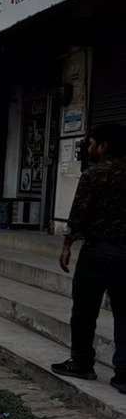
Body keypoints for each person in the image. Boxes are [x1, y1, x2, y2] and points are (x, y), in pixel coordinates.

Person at [53, 123, 126, 394]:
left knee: (84, 311)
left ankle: (82, 363)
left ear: (104, 146)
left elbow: (79, 215)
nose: (90, 147)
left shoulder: (94, 175)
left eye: (93, 143)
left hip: (97, 253)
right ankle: (124, 374)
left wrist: (67, 246)